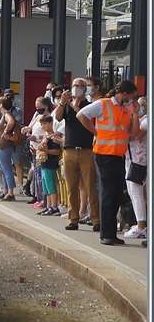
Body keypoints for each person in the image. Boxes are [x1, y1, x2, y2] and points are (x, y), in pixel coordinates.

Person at [77, 79, 139, 246]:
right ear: (124, 94)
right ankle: (106, 233)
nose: (133, 100)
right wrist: (95, 131)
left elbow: (134, 132)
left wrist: (135, 114)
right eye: (132, 97)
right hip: (104, 155)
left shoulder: (125, 110)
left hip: (119, 155)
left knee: (116, 194)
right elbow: (81, 115)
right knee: (108, 194)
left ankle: (110, 232)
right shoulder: (103, 104)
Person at [55, 78, 97, 231]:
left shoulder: (90, 106)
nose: (75, 88)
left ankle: (95, 219)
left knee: (90, 185)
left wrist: (76, 107)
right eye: (74, 86)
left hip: (86, 149)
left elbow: (88, 120)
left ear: (85, 89)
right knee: (71, 186)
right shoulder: (66, 105)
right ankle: (73, 219)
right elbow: (58, 117)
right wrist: (62, 102)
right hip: (69, 149)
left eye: (79, 86)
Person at [123, 96, 147, 240]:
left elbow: (136, 135)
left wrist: (135, 116)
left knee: (137, 193)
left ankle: (141, 225)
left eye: (142, 105)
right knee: (133, 193)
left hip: (140, 160)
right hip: (130, 158)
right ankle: (139, 223)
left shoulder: (146, 120)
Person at [0, 91, 21, 201]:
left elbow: (11, 122)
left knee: (6, 169)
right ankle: (5, 190)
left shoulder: (7, 115)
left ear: (2, 104)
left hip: (4, 145)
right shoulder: (4, 114)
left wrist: (5, 131)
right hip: (0, 145)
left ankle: (10, 192)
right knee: (2, 169)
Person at [33, 114, 63, 215]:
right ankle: (48, 205)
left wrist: (46, 150)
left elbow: (56, 151)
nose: (43, 126)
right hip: (44, 164)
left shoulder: (53, 137)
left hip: (50, 164)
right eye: (42, 124)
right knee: (46, 186)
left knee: (51, 185)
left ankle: (54, 206)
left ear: (51, 123)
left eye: (45, 123)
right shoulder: (45, 137)